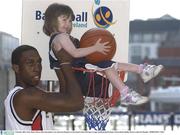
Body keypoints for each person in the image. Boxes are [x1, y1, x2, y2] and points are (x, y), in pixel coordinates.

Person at [43, 3, 164, 106]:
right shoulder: (61, 37)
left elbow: (78, 54)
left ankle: (129, 88)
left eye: (70, 21)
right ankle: (141, 72)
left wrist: (105, 42)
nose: (68, 24)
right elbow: (75, 53)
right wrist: (96, 47)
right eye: (64, 19)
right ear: (52, 19)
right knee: (107, 65)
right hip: (77, 79)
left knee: (108, 66)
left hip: (77, 78)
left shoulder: (57, 38)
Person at [4, 45, 84, 130]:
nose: (37, 68)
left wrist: (57, 64)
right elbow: (77, 103)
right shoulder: (26, 96)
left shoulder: (21, 95)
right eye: (30, 63)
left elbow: (64, 98)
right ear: (16, 68)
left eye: (39, 62)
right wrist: (65, 63)